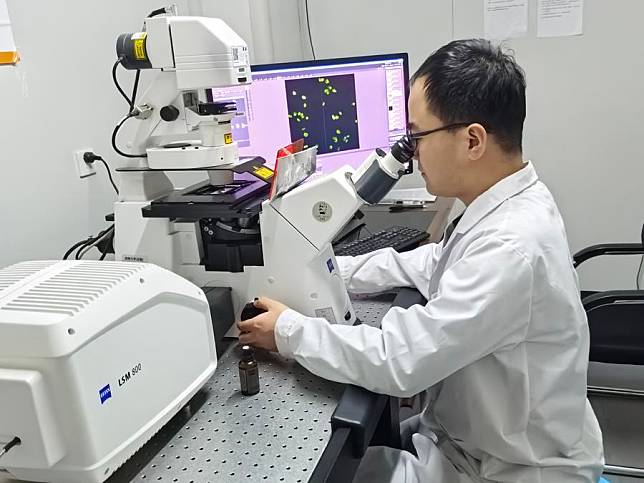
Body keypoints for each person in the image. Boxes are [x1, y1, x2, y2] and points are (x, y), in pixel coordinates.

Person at [238, 39, 604, 482]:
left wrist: (288, 331)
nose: (410, 153)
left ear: (472, 141)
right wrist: (325, 269)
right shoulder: (508, 205)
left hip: (513, 468)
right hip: (475, 439)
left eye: (417, 136)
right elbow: (434, 263)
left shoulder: (511, 247)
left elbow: (400, 361)